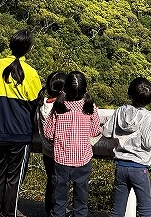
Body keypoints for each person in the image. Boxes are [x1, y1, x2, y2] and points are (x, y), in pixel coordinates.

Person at [0, 29, 42, 217]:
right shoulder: (31, 73)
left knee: (0, 173)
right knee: (14, 178)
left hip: (0, 130)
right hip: (21, 132)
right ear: (29, 48)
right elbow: (36, 101)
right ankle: (9, 213)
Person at [43, 71, 103, 217]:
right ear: (84, 89)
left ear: (65, 88)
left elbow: (48, 134)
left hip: (61, 160)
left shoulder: (58, 106)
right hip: (82, 159)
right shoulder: (89, 106)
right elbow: (95, 131)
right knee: (81, 200)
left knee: (59, 200)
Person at [103, 77, 151, 217]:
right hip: (139, 168)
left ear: (129, 94)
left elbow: (106, 132)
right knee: (146, 211)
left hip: (121, 166)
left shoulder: (120, 111)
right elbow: (148, 142)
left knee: (117, 211)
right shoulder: (148, 116)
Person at [37, 71, 67, 217]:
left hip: (46, 151)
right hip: (59, 152)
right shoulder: (60, 107)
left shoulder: (41, 105)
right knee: (59, 183)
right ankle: (56, 212)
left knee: (51, 181)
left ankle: (49, 210)